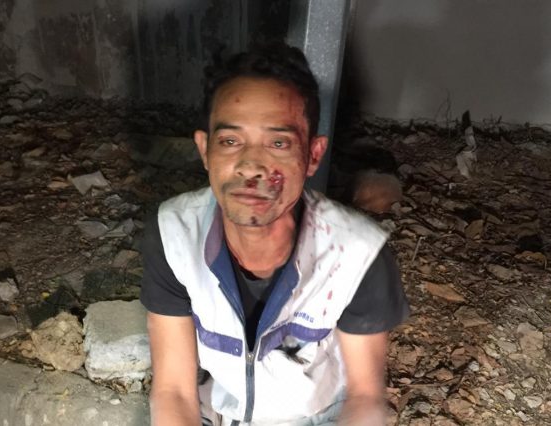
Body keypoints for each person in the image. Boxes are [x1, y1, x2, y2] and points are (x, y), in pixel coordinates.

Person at [140, 42, 409, 426]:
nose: (251, 166)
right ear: (204, 149)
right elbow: (174, 392)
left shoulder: (356, 256)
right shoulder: (175, 237)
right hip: (225, 412)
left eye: (278, 143)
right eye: (230, 141)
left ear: (313, 155)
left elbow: (364, 398)